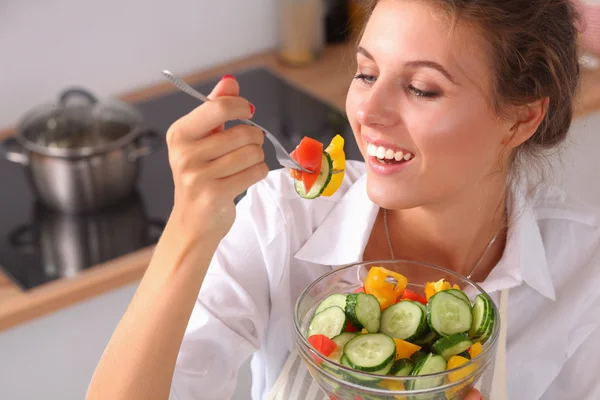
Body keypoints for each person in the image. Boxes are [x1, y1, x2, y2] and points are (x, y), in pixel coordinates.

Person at [86, 0, 600, 399]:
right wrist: (190, 227)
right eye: (366, 73)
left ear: (520, 118)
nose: (368, 113)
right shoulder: (285, 215)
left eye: (422, 88)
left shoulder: (584, 263)